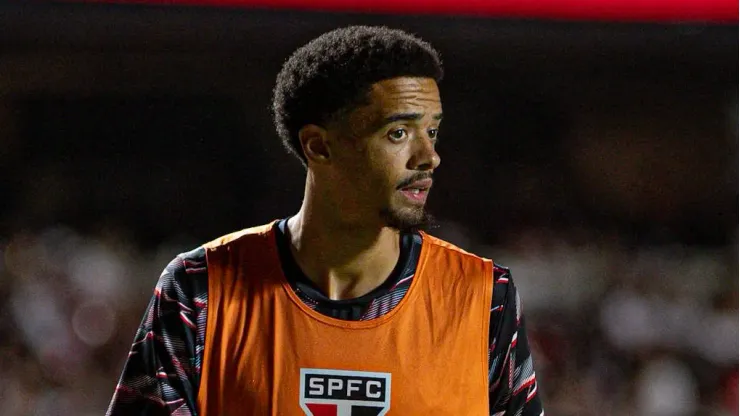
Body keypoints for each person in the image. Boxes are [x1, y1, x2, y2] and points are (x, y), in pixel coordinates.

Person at [106, 25, 543, 416]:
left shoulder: (485, 297)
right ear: (319, 147)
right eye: (398, 133)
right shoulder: (199, 290)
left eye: (431, 131)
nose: (429, 157)